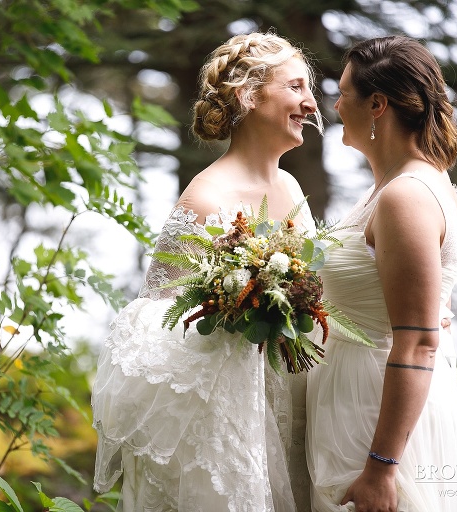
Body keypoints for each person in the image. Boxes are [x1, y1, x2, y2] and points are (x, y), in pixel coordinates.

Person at [92, 31, 322, 511]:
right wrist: (237, 310)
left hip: (296, 397)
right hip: (229, 416)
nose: (311, 103)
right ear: (249, 95)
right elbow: (152, 326)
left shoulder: (293, 187)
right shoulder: (205, 199)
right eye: (296, 87)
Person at [305, 35, 457, 512]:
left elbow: (418, 341)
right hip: (352, 404)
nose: (335, 104)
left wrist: (382, 469)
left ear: (378, 104)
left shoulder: (406, 196)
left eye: (344, 92)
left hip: (376, 423)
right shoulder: (390, 187)